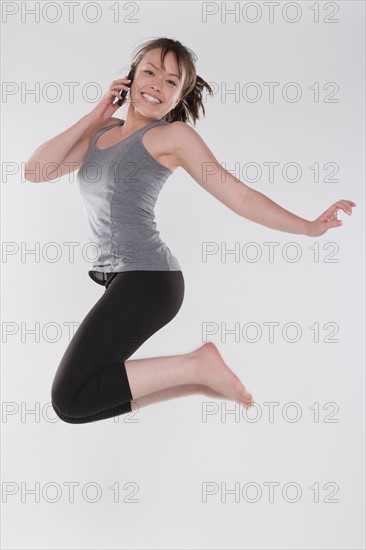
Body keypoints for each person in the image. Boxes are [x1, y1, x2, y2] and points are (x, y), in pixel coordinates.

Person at [24, 37, 356, 424]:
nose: (156, 85)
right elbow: (36, 171)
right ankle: (198, 380)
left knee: (70, 395)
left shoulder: (173, 137)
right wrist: (96, 114)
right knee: (77, 407)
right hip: (124, 279)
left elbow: (240, 197)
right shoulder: (102, 133)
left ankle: (198, 366)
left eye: (171, 82)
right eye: (149, 72)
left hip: (148, 280)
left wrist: (307, 227)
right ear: (130, 78)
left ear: (179, 97)